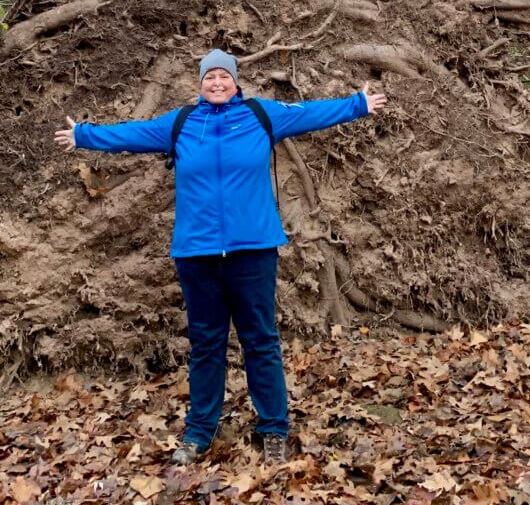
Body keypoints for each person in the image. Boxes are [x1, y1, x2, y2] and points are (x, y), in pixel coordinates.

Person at [54, 49, 387, 466]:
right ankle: (199, 433)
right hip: (196, 254)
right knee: (206, 344)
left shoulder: (261, 115)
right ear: (199, 83)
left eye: (222, 76)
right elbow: (132, 134)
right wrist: (84, 135)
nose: (216, 83)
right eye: (208, 77)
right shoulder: (179, 124)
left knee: (260, 340)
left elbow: (309, 114)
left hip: (253, 251)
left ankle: (274, 430)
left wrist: (357, 104)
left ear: (235, 81)